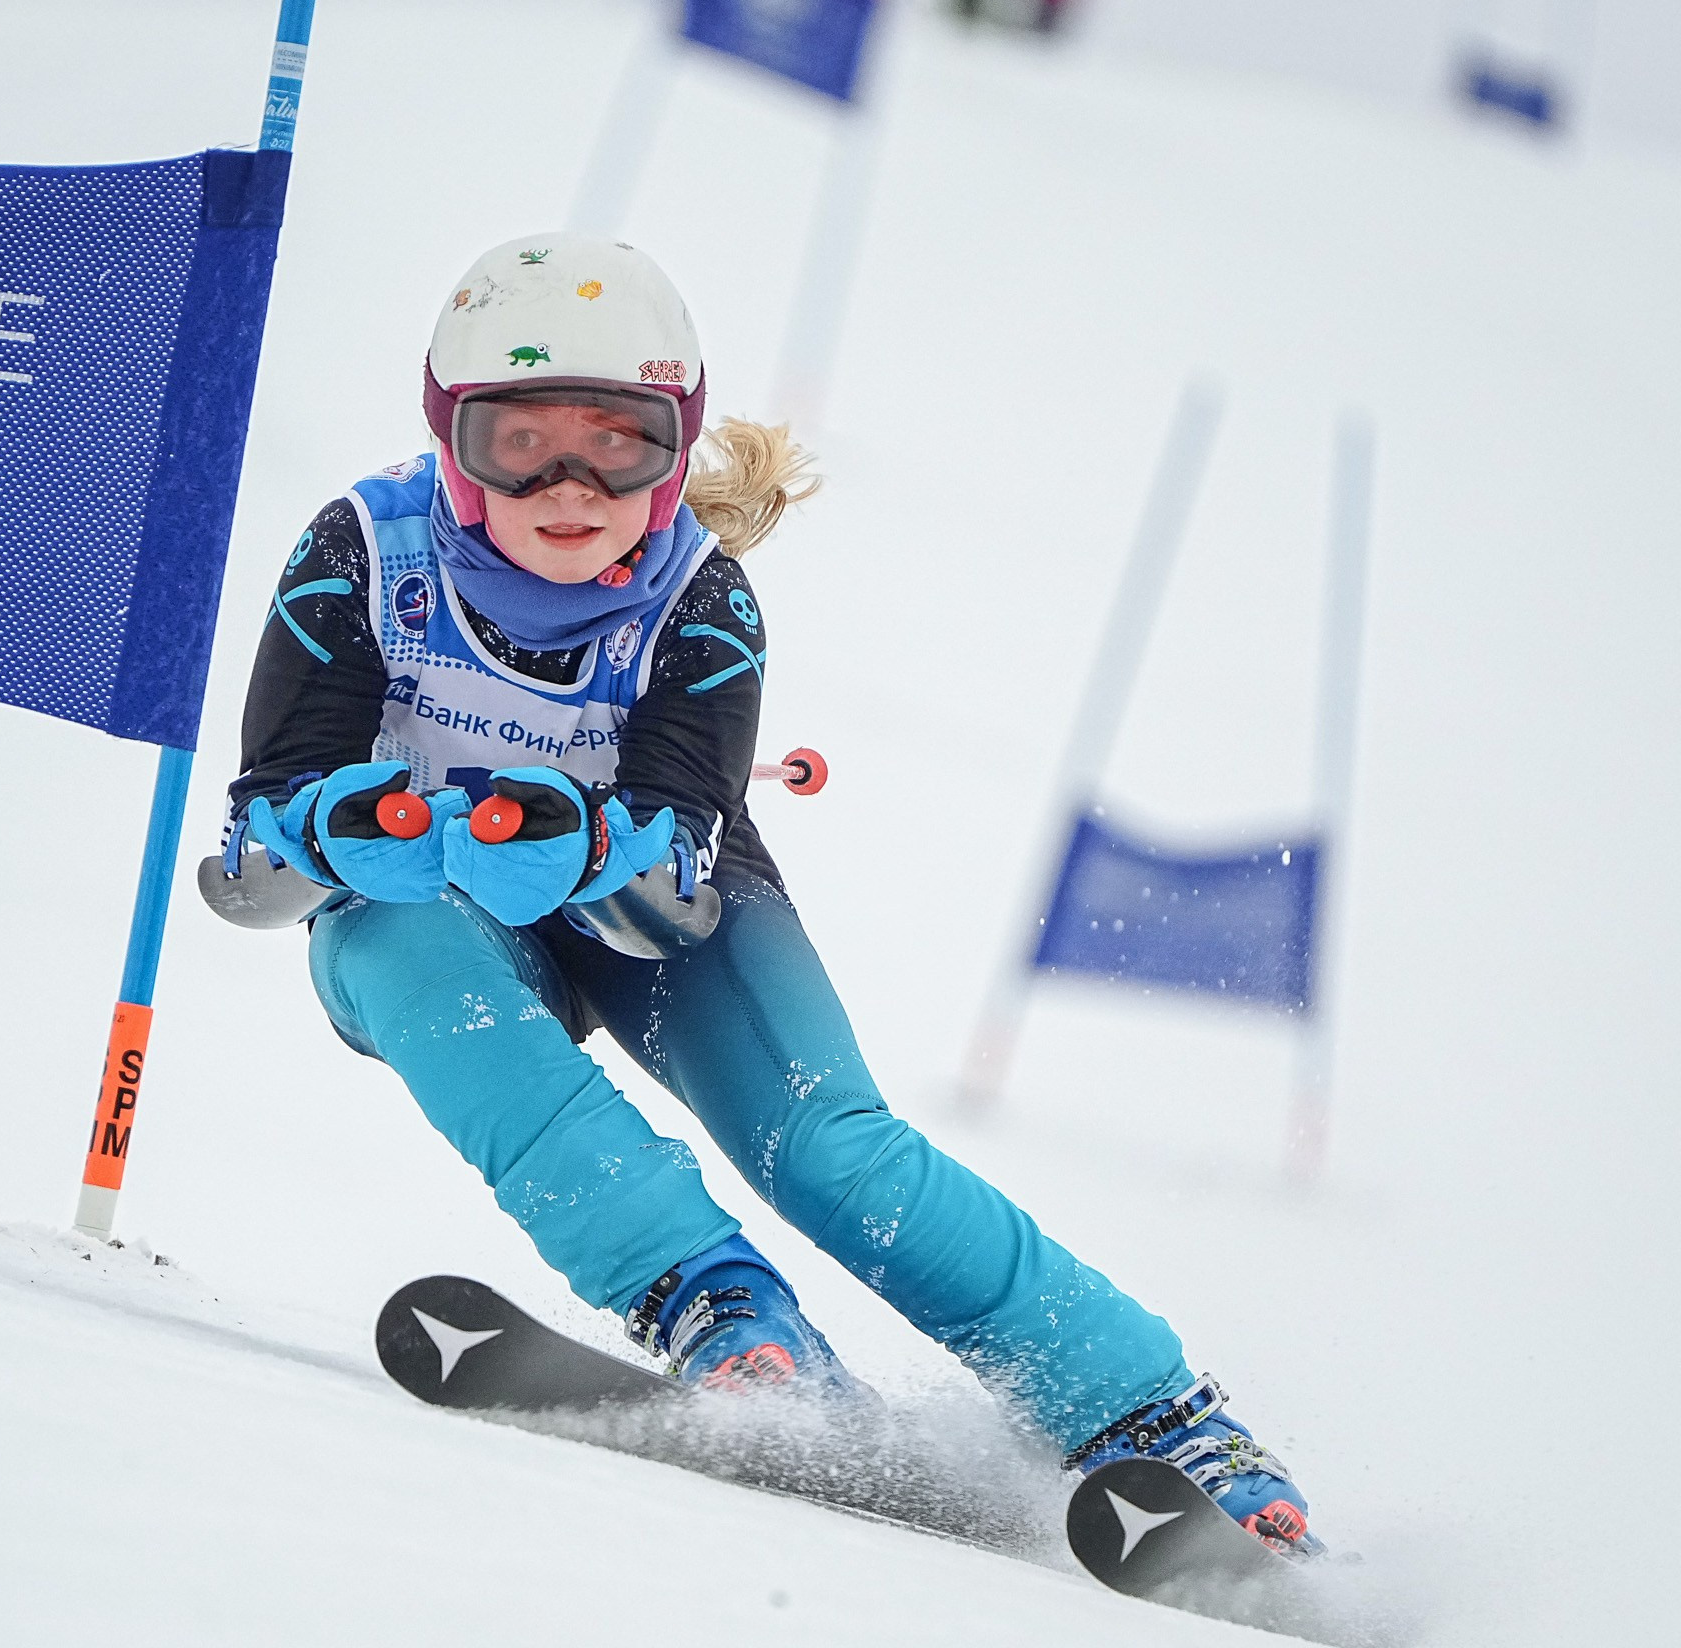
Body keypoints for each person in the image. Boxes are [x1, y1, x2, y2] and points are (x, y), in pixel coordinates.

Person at [204, 233, 1316, 1553]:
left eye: (618, 446)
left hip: (653, 907)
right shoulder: (362, 552)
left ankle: (1153, 1415)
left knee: (827, 1146)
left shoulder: (700, 596)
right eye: (520, 444)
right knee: (401, 956)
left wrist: (579, 843)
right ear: (453, 441)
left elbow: (669, 875)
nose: (569, 487)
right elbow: (264, 840)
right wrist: (352, 828)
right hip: (432, 903)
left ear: (676, 450)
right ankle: (722, 1308)